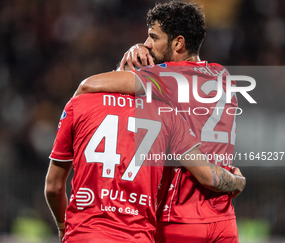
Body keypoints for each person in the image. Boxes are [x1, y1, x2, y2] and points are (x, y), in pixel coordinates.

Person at [75, 1, 242, 242]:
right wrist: (237, 180)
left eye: (153, 37)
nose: (147, 44)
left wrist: (128, 63)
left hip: (177, 220)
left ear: (178, 43)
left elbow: (88, 86)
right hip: (223, 221)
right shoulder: (224, 77)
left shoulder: (165, 78)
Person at [44, 92, 245, 243]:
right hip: (137, 236)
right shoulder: (167, 115)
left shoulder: (79, 103)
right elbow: (208, 176)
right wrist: (237, 180)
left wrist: (63, 228)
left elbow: (53, 188)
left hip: (84, 234)